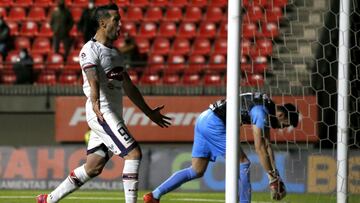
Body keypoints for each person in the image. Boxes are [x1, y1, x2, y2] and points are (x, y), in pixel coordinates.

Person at [37, 4, 171, 203]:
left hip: (112, 113)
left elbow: (129, 86)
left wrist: (149, 112)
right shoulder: (89, 50)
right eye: (116, 20)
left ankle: (48, 200)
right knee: (133, 154)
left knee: (93, 167)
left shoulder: (116, 54)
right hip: (101, 113)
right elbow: (93, 80)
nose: (120, 24)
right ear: (102, 23)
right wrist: (96, 103)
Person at [143, 92, 299, 203]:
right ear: (281, 115)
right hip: (215, 123)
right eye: (284, 125)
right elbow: (260, 147)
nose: (281, 129)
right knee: (243, 163)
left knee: (196, 170)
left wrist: (275, 177)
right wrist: (273, 180)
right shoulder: (261, 112)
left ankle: (154, 196)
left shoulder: (266, 104)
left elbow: (267, 146)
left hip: (205, 117)